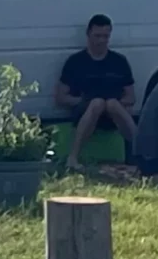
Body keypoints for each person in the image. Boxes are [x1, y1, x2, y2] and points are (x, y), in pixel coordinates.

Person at [55, 14, 137, 169]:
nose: (101, 41)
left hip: (113, 111)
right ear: (88, 35)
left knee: (111, 103)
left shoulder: (119, 61)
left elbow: (131, 97)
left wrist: (112, 103)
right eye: (97, 36)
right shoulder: (75, 62)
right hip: (85, 111)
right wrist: (83, 101)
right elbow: (60, 97)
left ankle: (142, 152)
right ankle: (73, 158)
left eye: (105, 36)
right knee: (97, 103)